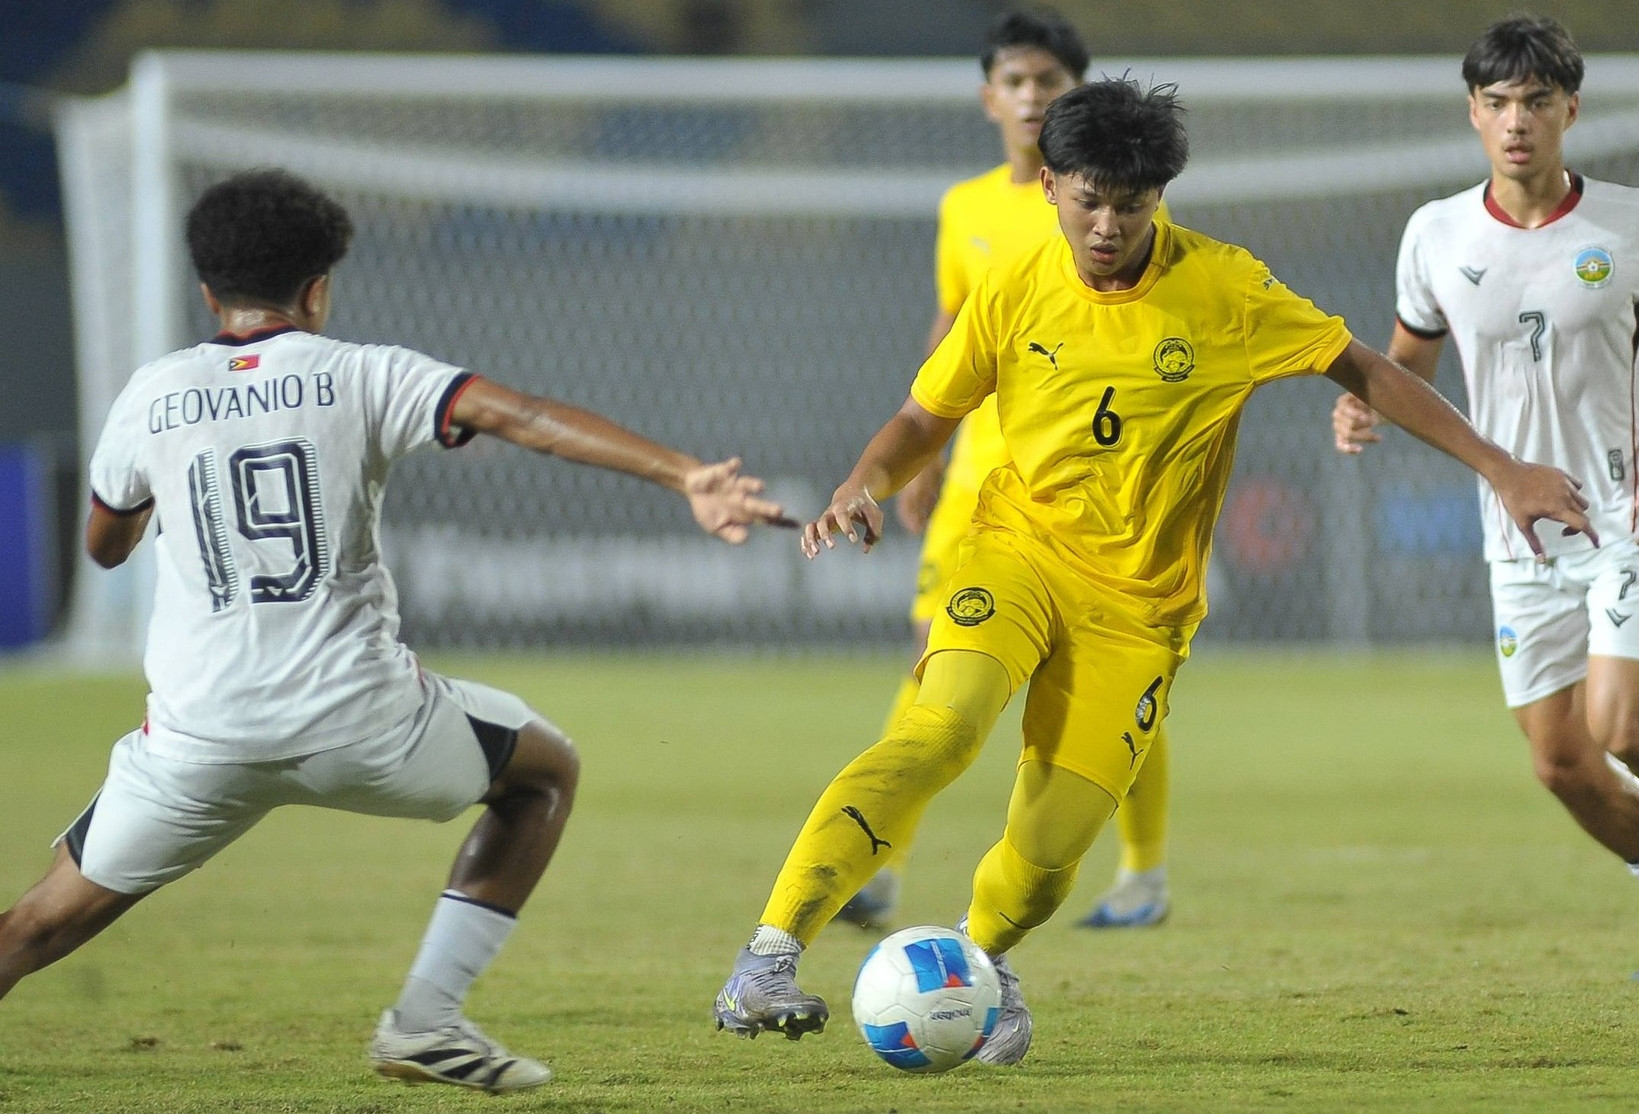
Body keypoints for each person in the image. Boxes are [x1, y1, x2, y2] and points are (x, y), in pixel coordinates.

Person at [712, 77, 1595, 1064]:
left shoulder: (1225, 289)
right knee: (940, 727)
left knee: (1047, 857)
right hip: (1015, 553)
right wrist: (863, 481)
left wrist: (1502, 468)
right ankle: (768, 956)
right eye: (1088, 201)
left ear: (1159, 198)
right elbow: (926, 415)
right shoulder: (1013, 284)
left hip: (1139, 612)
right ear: (1050, 186)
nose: (1106, 226)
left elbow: (1364, 368)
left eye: (1129, 206)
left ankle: (980, 960)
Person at [0, 168, 789, 1094]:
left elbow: (104, 546)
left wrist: (163, 504)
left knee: (36, 923)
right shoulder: (364, 371)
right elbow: (525, 418)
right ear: (318, 289)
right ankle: (426, 1020)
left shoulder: (154, 393)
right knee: (543, 773)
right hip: (362, 723)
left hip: (197, 738)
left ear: (208, 292)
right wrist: (684, 474)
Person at [841, 8, 1173, 933]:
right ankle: (881, 866)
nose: (1031, 98)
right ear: (989, 97)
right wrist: (924, 456)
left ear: (1077, 93)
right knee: (930, 661)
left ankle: (1142, 872)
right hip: (977, 481)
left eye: (1048, 82)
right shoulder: (964, 207)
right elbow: (950, 326)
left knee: (1109, 679)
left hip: (1082, 487)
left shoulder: (1112, 204)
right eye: (1016, 83)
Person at [1334, 15, 1639, 868]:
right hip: (1517, 536)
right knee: (1562, 765)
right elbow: (1408, 362)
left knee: (1620, 726)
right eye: (1497, 101)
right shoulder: (1435, 233)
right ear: (1471, 110)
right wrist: (1363, 405)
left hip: (1620, 515)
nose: (1515, 121)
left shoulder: (1626, 225)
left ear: (1570, 109)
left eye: (1536, 101)